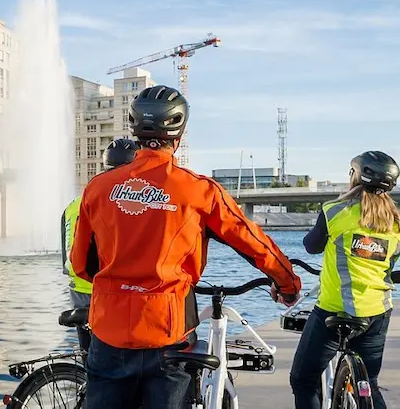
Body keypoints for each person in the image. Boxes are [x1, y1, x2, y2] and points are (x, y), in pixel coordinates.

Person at [70, 85, 303, 409]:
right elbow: (254, 243)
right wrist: (287, 284)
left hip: (109, 330)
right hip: (168, 330)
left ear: (134, 128)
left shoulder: (98, 188)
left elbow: (81, 263)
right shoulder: (198, 190)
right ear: (178, 134)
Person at [290, 151, 400, 409]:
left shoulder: (334, 212)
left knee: (303, 380)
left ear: (355, 177)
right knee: (369, 382)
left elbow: (311, 247)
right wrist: (389, 276)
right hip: (377, 313)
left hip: (333, 311)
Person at [60, 138, 139, 351]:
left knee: (91, 358)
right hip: (104, 289)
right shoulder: (116, 201)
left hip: (77, 288)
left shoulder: (75, 203)